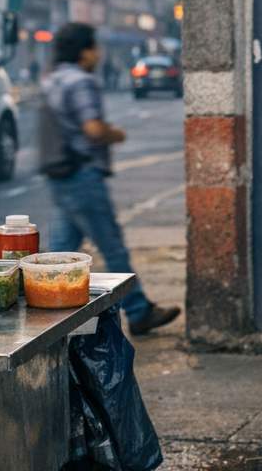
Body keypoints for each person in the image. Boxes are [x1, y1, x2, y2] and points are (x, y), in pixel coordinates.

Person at [43, 22, 180, 335]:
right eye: (95, 47)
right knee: (111, 245)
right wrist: (115, 134)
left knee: (61, 254)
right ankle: (139, 310)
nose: (99, 54)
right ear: (85, 51)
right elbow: (92, 128)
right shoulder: (81, 81)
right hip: (83, 177)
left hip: (61, 176)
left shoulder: (53, 80)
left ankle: (49, 313)